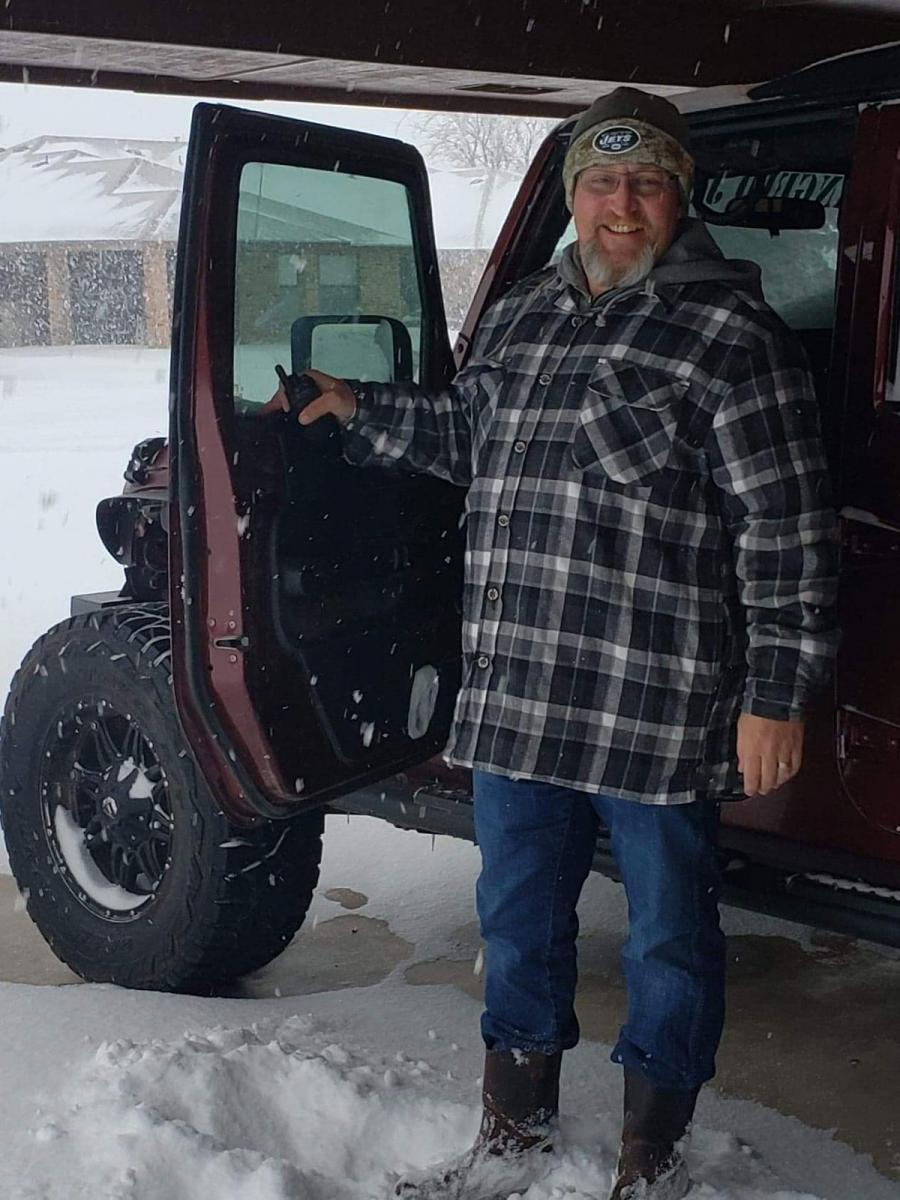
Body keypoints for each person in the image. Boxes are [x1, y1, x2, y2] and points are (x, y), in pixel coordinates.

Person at [271, 88, 839, 1200]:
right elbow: (473, 435)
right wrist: (363, 408)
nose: (619, 204)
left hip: (654, 707)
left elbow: (789, 532)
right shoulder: (529, 311)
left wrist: (781, 692)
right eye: (598, 182)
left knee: (670, 939)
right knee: (517, 923)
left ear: (679, 193)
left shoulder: (733, 335)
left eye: (643, 182)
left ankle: (650, 1160)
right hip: (523, 694)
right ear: (574, 196)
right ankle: (511, 1137)